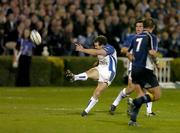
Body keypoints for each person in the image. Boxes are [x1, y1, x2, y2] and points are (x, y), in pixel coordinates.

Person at [109, 20, 155, 116]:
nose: (138, 28)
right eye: (137, 26)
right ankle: (115, 103)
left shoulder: (148, 38)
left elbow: (152, 51)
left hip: (145, 65)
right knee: (131, 88)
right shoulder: (131, 37)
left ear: (144, 28)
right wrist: (132, 51)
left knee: (148, 88)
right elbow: (123, 50)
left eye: (140, 26)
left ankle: (149, 111)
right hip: (134, 65)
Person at [66, 35, 117, 116]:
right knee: (89, 72)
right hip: (100, 68)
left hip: (109, 73)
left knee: (97, 92)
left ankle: (86, 111)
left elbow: (97, 52)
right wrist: (97, 63)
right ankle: (74, 77)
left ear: (102, 45)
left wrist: (82, 50)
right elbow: (101, 57)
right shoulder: (100, 49)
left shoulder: (110, 49)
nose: (95, 47)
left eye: (97, 45)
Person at [126, 18, 161, 126]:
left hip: (135, 69)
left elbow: (128, 53)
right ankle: (134, 102)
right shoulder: (151, 36)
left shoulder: (136, 37)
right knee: (157, 95)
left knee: (141, 94)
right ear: (153, 27)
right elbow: (152, 52)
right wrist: (157, 62)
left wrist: (133, 59)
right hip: (145, 69)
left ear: (144, 26)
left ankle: (133, 120)